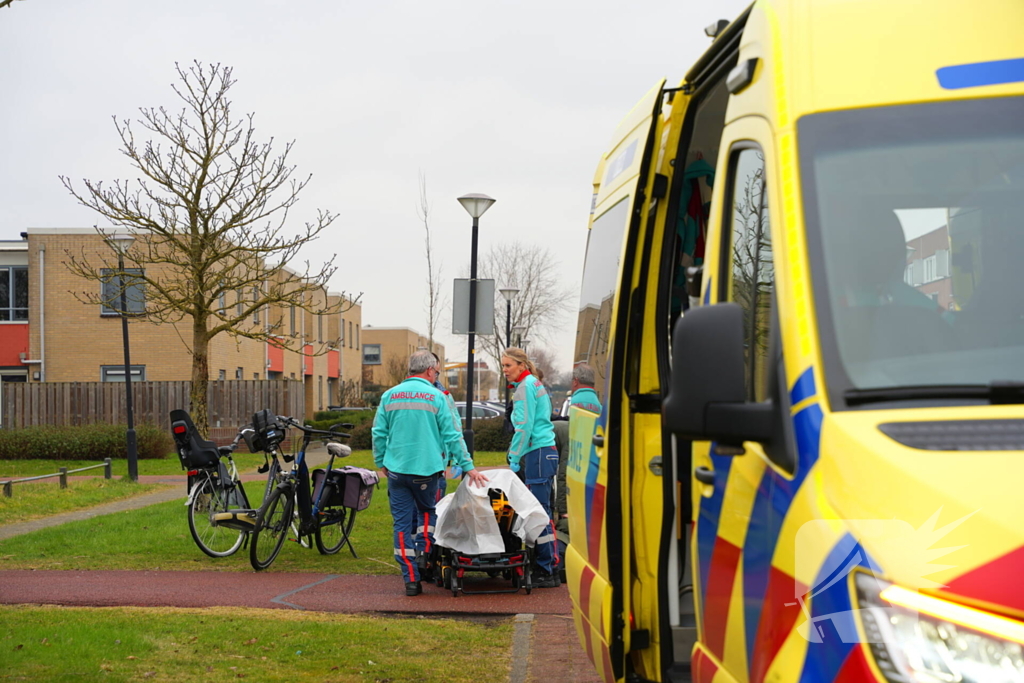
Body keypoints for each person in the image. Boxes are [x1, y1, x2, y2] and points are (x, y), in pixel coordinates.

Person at [373, 350, 488, 596]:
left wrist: (381, 460)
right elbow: (452, 435)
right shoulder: (437, 397)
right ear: (429, 370)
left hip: (397, 471)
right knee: (427, 513)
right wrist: (468, 466)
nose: (436, 374)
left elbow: (379, 433)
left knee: (401, 525)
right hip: (427, 471)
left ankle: (411, 580)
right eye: (436, 371)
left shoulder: (389, 396)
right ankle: (424, 552)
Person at [501, 347, 560, 588]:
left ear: (521, 365)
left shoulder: (525, 388)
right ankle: (549, 566)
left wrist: (514, 456)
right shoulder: (534, 383)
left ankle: (546, 568)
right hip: (545, 451)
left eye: (508, 366)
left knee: (539, 513)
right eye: (503, 366)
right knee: (543, 511)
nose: (504, 370)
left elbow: (524, 427)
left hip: (536, 452)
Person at [552, 363, 603, 578]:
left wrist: (562, 506)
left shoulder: (573, 405)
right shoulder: (600, 405)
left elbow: (566, 464)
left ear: (575, 381)